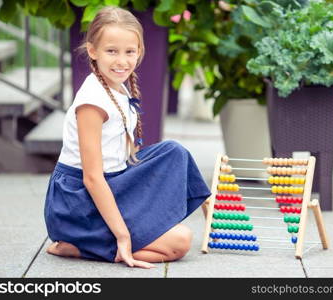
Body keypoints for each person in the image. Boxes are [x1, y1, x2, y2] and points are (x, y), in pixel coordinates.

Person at [44, 6, 211, 269]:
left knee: (173, 151)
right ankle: (81, 246)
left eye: (129, 52)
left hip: (112, 181)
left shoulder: (116, 85)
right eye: (112, 51)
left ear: (139, 52)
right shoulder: (92, 102)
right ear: (93, 51)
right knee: (181, 240)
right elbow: (92, 177)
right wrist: (123, 235)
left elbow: (119, 158)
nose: (122, 61)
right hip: (78, 204)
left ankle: (209, 211)